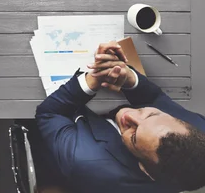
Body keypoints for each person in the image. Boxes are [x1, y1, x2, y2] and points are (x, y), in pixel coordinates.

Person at [35, 41, 205, 193]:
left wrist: (93, 78)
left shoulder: (83, 159)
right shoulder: (198, 130)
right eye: (151, 114)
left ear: (144, 169)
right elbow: (155, 99)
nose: (129, 115)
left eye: (134, 136)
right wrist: (128, 77)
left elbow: (49, 113)